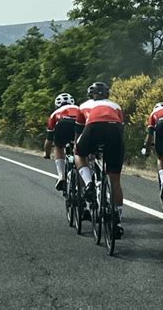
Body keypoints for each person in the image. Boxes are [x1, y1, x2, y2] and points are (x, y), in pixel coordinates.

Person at [74, 82, 125, 237]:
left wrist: (81, 147)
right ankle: (117, 221)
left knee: (79, 154)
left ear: (91, 94)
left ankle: (89, 184)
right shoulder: (116, 106)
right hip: (114, 130)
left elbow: (78, 134)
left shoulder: (83, 106)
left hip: (93, 127)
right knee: (115, 180)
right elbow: (121, 128)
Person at [44, 93, 79, 191]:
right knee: (81, 149)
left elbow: (49, 139)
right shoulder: (79, 108)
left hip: (62, 124)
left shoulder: (55, 113)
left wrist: (47, 154)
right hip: (79, 124)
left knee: (58, 146)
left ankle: (61, 177)